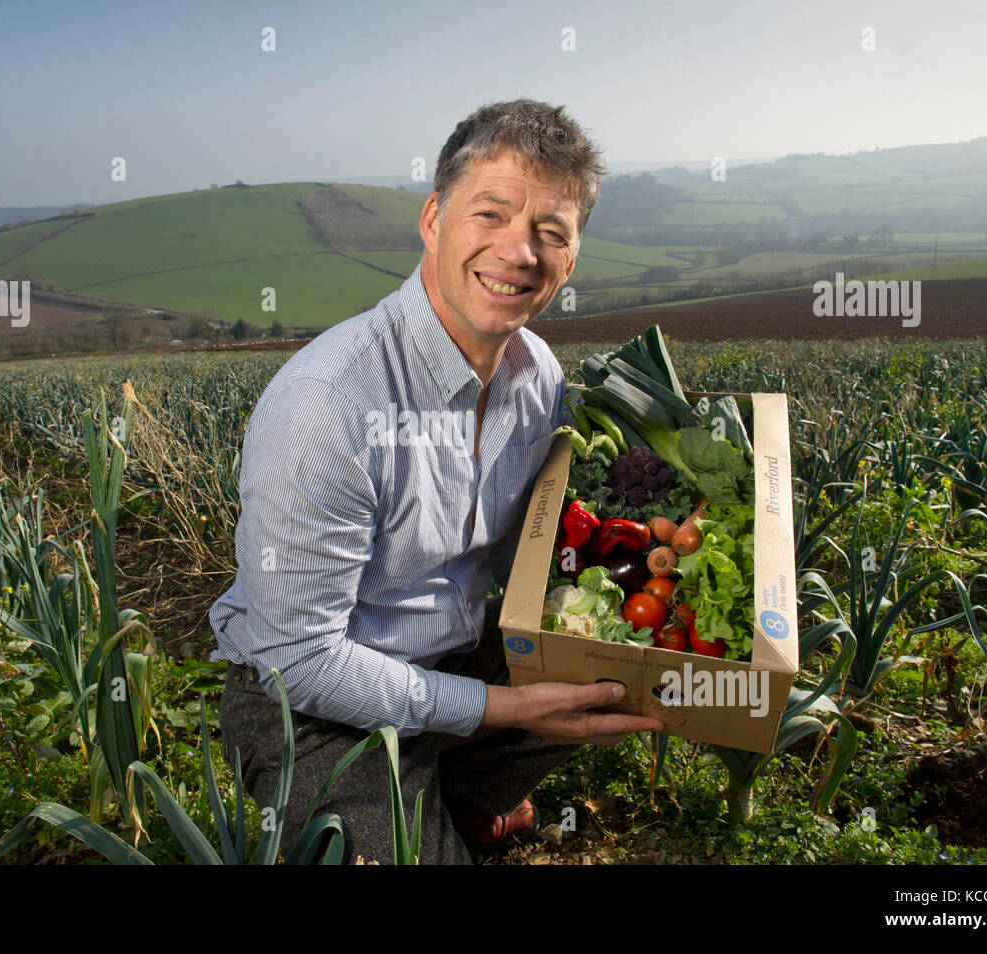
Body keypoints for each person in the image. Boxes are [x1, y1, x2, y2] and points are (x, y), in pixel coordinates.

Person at [208, 99, 664, 864]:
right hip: (314, 707)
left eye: (550, 232)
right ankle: (432, 809)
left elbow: (528, 554)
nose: (519, 252)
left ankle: (453, 798)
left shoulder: (536, 375)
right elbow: (301, 659)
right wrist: (506, 707)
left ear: (571, 258)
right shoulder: (331, 404)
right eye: (491, 215)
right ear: (433, 220)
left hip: (450, 657)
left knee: (609, 672)